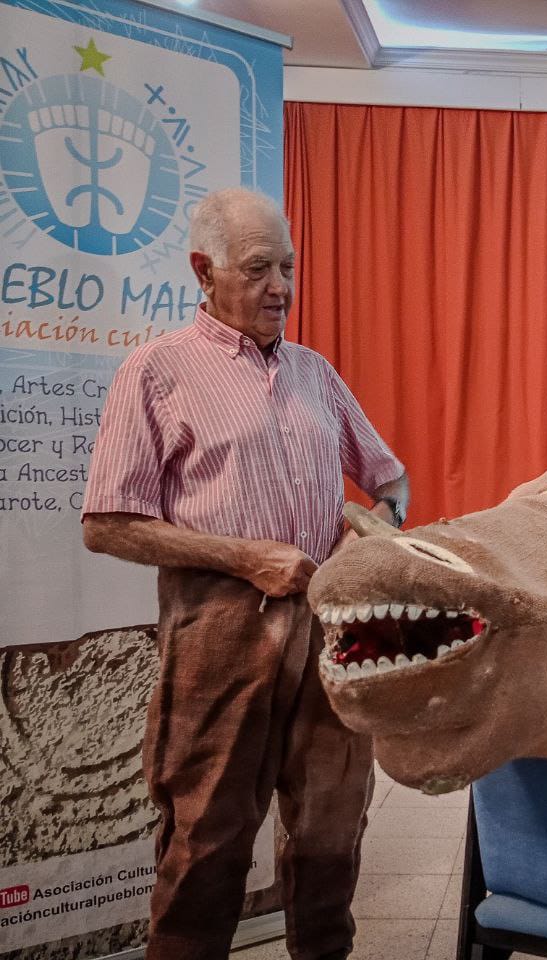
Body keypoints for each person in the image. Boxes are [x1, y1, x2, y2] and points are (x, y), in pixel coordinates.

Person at [82, 187, 408, 960]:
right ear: (205, 270)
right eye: (259, 269)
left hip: (330, 638)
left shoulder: (314, 373)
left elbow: (391, 481)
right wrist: (243, 556)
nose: (281, 288)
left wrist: (377, 532)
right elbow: (106, 525)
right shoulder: (157, 371)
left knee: (333, 827)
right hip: (221, 638)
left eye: (287, 268)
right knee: (207, 839)